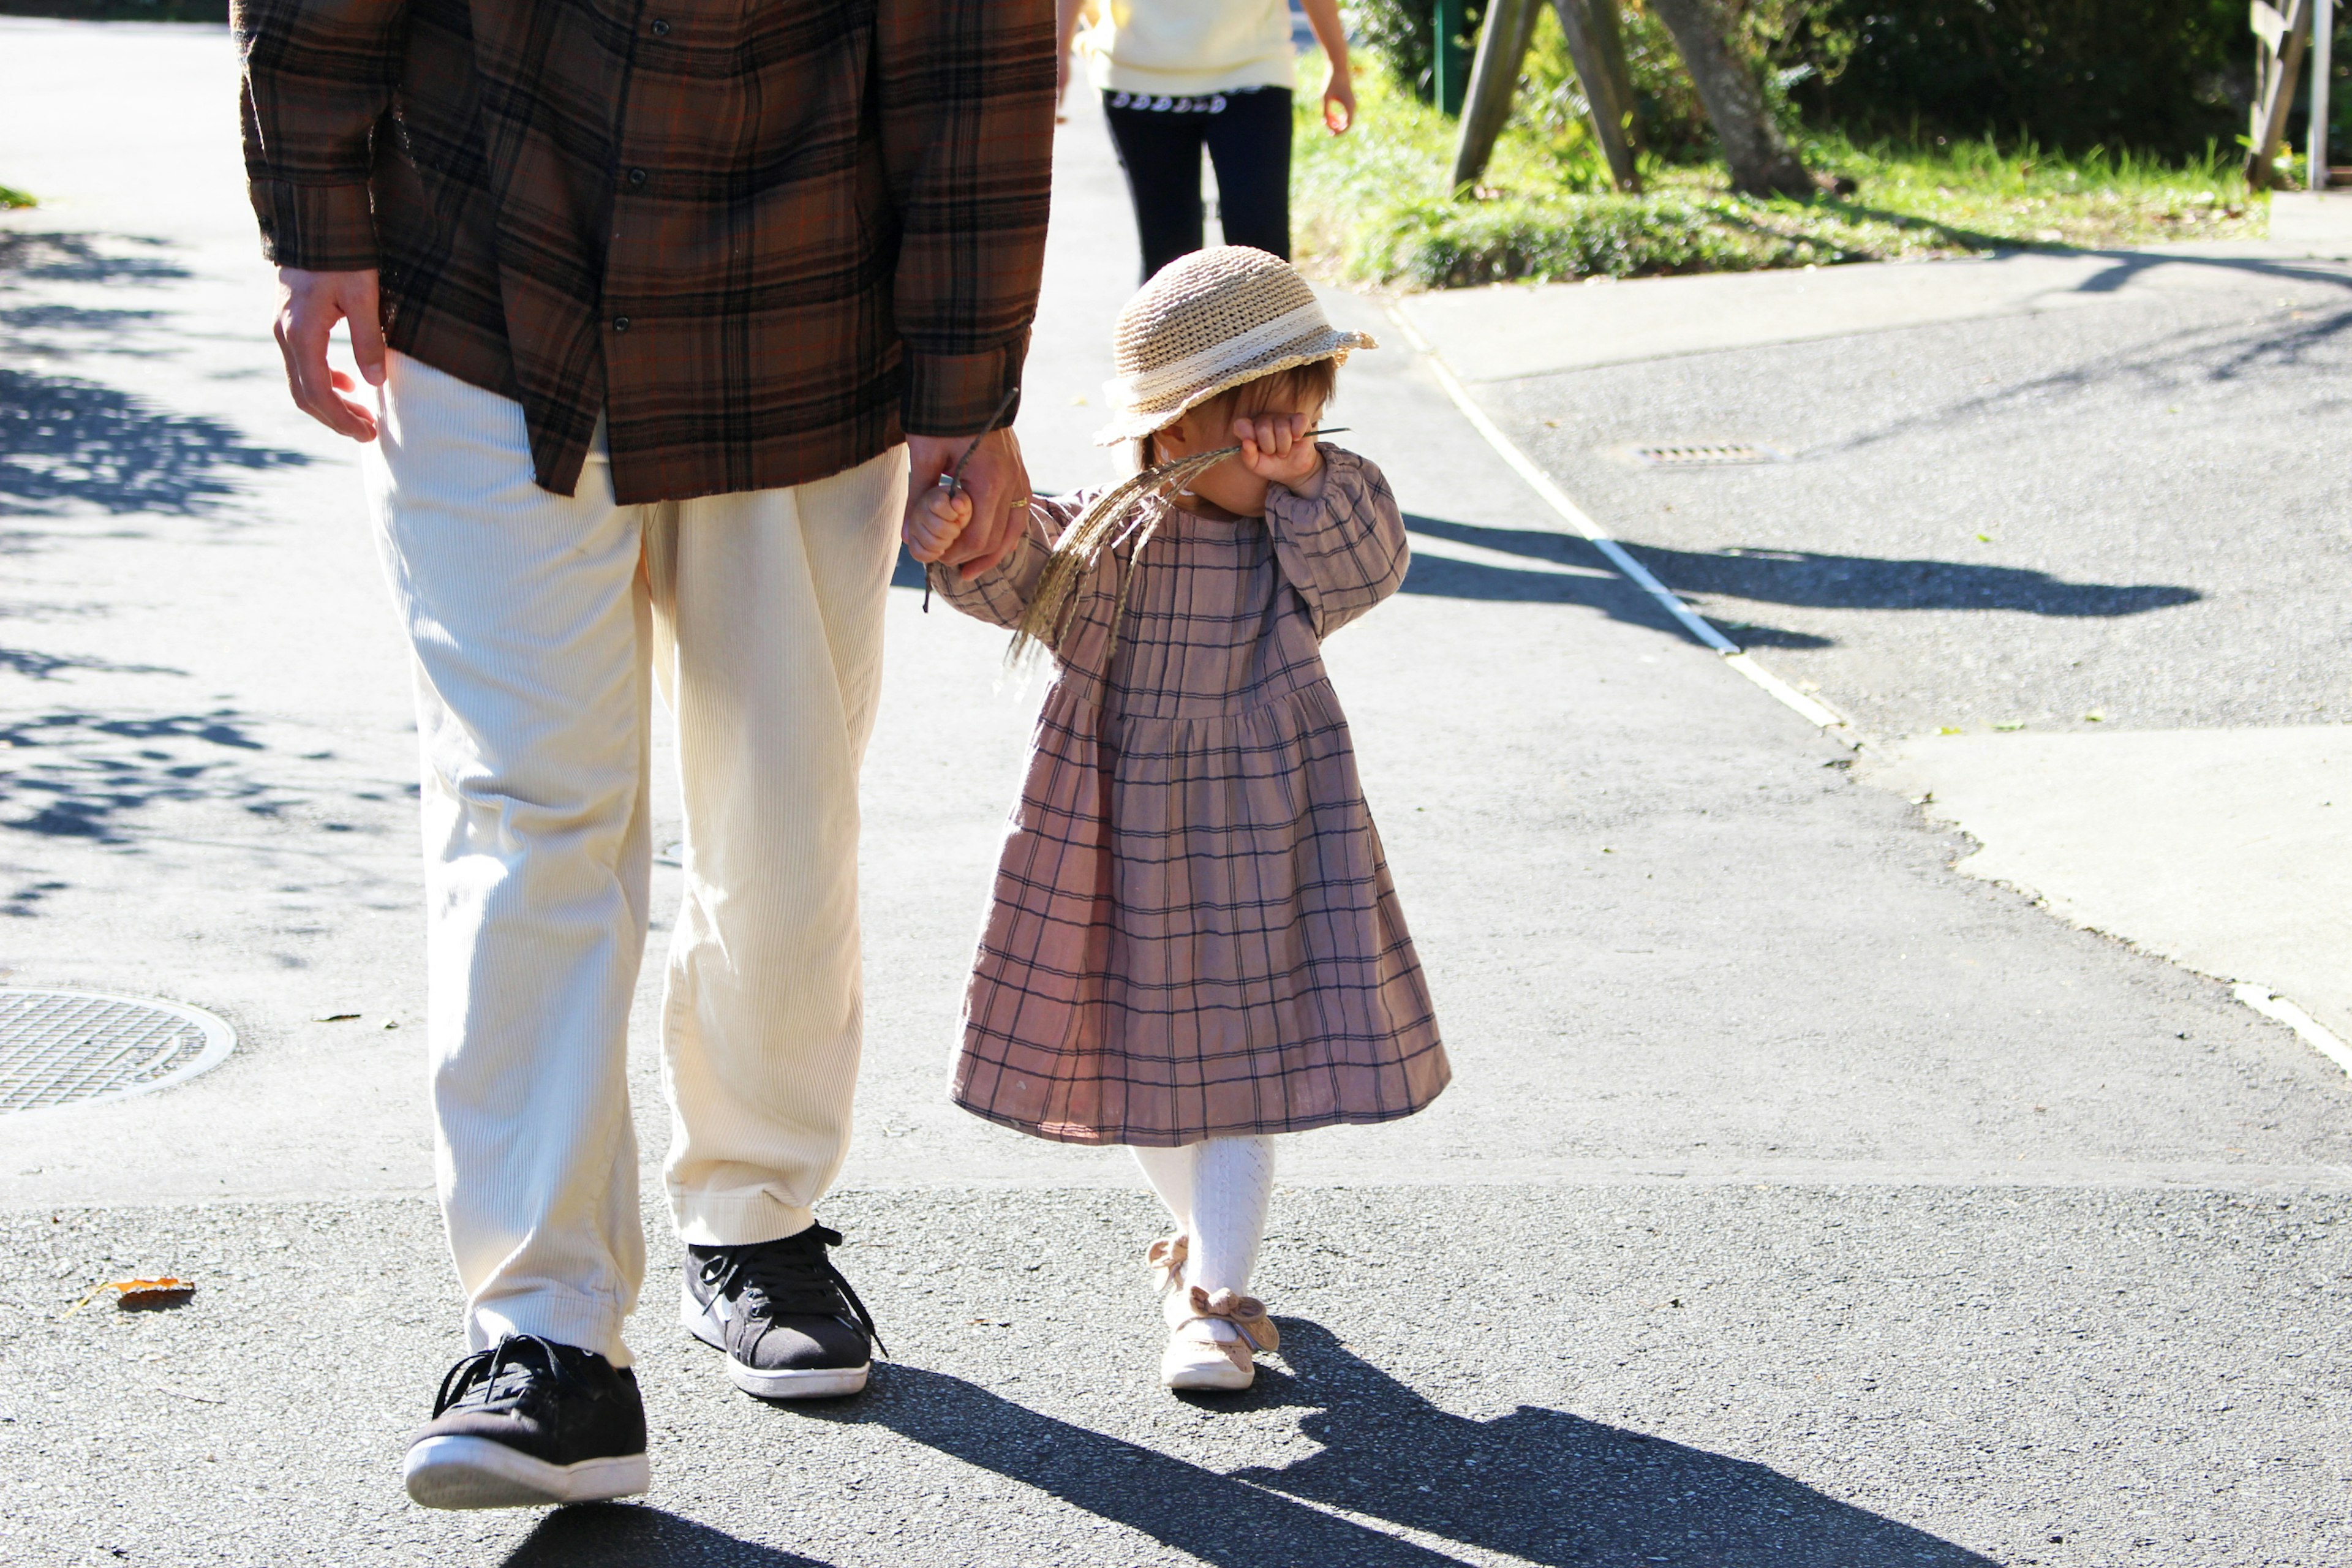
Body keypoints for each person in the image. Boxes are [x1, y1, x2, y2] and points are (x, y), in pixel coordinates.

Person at [235, 0, 1053, 1510]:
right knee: (523, 800)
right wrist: (312, 208)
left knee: (784, 806)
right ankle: (545, 1333)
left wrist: (968, 378)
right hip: (485, 256)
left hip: (803, 294)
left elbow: (978, 41)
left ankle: (752, 1209)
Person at [905, 246, 1450, 1390]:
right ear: (1166, 436)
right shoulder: (1116, 544)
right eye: (1248, 430)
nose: (1273, 451)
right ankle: (1199, 1249)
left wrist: (1304, 482)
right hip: (1119, 840)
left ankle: (1215, 1303)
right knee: (1147, 1074)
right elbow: (1021, 561)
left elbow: (1373, 560)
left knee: (1241, 1070)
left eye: (1295, 424)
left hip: (1268, 831)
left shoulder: (1298, 539)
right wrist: (968, 535)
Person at [1060, 0, 1359, 281]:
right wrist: (1057, 54)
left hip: (1252, 71)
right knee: (1168, 262)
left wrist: (1338, 65)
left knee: (1262, 259)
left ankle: (1271, 339)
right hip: (1137, 75)